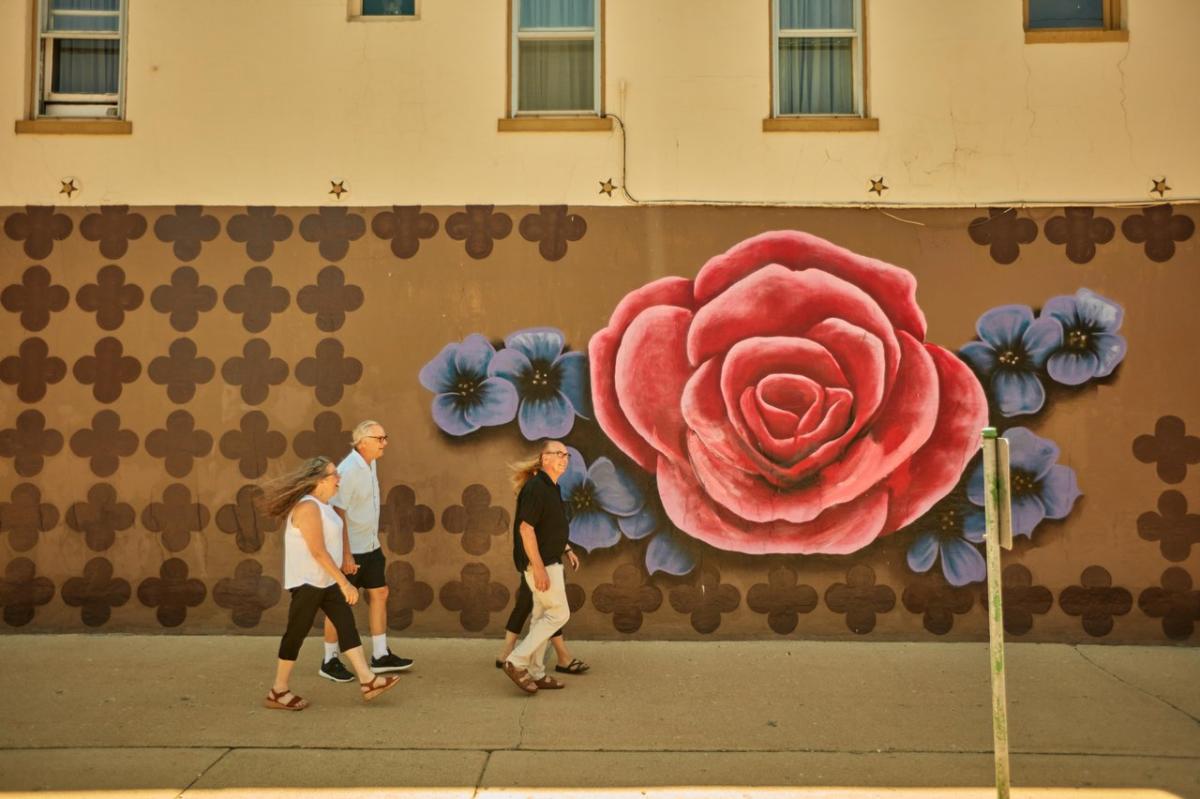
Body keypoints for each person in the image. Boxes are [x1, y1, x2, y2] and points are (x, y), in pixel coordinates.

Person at [261, 456, 400, 710]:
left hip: (325, 581)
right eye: (334, 474)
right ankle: (278, 690)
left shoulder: (324, 505)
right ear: (319, 480)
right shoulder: (308, 508)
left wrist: (344, 563)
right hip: (308, 582)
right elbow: (317, 551)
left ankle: (368, 681)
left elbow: (333, 543)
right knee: (296, 633)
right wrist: (345, 583)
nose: (339, 478)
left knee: (346, 625)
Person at [319, 420, 413, 683]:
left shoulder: (371, 463)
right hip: (351, 550)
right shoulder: (348, 470)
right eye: (379, 438)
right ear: (362, 443)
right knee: (338, 605)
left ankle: (381, 655)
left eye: (385, 437)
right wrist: (346, 555)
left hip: (371, 545)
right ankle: (329, 660)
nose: (385, 442)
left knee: (380, 593)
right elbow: (338, 511)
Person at [502, 440, 573, 694]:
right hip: (542, 564)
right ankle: (517, 660)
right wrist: (539, 567)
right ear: (544, 459)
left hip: (551, 559)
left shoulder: (551, 487)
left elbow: (550, 526)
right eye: (558, 454)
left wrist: (566, 548)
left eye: (566, 455)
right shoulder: (536, 488)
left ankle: (535, 672)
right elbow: (526, 528)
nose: (564, 458)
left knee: (542, 616)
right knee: (559, 614)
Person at [495, 562, 589, 675]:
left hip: (540, 558)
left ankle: (507, 652)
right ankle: (562, 658)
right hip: (536, 559)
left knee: (534, 604)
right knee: (536, 605)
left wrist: (567, 549)